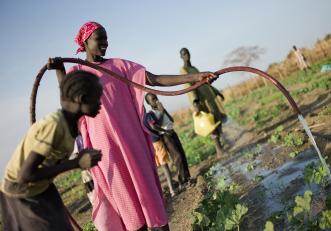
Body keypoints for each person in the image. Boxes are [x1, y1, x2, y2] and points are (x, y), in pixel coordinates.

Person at [49, 21, 217, 231]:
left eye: (106, 39)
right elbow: (69, 102)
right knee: (127, 204)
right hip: (106, 148)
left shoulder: (120, 66)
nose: (105, 43)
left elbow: (154, 79)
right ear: (85, 41)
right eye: (99, 39)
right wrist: (59, 71)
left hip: (132, 141)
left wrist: (196, 77)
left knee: (150, 198)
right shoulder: (77, 71)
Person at [0, 70, 103, 231]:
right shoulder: (54, 125)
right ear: (82, 99)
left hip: (42, 187)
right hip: (22, 192)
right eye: (98, 98)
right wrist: (76, 163)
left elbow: (66, 90)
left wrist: (59, 68)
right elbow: (25, 176)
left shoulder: (70, 122)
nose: (100, 104)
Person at [179, 47, 227, 157]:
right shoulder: (184, 71)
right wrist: (195, 102)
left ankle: (221, 145)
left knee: (217, 120)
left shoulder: (194, 68)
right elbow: (188, 86)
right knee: (211, 124)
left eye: (187, 53)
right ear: (181, 57)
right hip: (202, 101)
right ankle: (219, 150)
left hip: (209, 97)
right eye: (184, 54)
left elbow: (205, 82)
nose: (186, 55)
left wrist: (217, 92)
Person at [145, 93, 191, 188]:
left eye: (156, 98)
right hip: (165, 136)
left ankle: (187, 177)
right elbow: (158, 125)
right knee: (177, 156)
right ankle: (183, 181)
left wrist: (163, 110)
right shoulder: (151, 113)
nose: (156, 100)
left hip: (172, 132)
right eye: (153, 99)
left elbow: (171, 119)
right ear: (149, 103)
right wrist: (161, 112)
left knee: (181, 154)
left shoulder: (161, 109)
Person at [143, 108, 176, 197]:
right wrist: (165, 130)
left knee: (159, 169)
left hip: (150, 145)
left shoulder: (139, 119)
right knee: (165, 167)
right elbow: (154, 126)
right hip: (157, 143)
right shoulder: (147, 115)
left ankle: (160, 193)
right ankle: (172, 190)